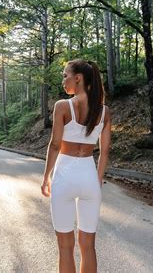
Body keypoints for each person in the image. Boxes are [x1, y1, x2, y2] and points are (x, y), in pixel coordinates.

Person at [41, 58, 111, 273]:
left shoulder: (63, 106)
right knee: (88, 245)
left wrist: (46, 177)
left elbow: (55, 145)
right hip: (89, 176)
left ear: (78, 78)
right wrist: (97, 180)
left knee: (65, 246)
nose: (63, 81)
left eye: (65, 76)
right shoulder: (104, 111)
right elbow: (105, 151)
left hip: (65, 177)